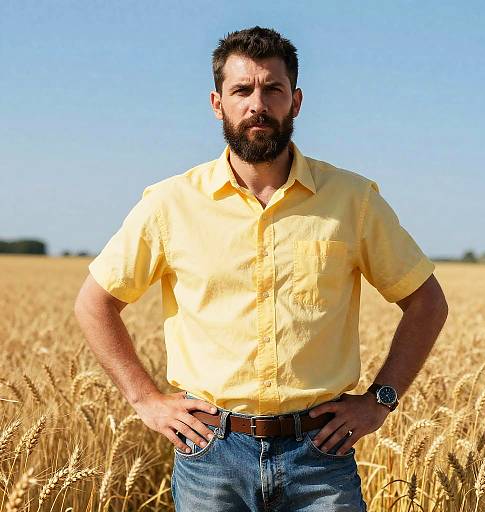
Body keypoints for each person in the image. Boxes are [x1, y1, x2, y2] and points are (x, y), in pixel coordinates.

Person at [74, 25, 449, 512]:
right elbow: (95, 303)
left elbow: (427, 302)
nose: (258, 103)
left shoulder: (352, 201)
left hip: (320, 453)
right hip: (210, 452)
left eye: (272, 89)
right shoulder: (170, 204)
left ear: (295, 101)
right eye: (242, 90)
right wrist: (145, 399)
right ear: (217, 103)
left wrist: (380, 399)